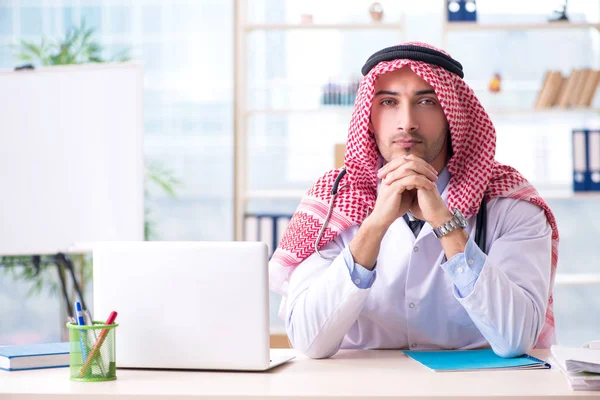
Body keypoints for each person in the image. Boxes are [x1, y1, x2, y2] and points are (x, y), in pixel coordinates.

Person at [268, 42, 559, 359]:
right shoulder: (334, 200)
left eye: (426, 101)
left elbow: (516, 339)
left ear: (453, 114)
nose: (406, 121)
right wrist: (375, 225)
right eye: (389, 102)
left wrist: (444, 222)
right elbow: (309, 342)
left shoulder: (510, 203)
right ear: (369, 117)